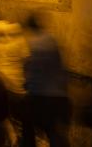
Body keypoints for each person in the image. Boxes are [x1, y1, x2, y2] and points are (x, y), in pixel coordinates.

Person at [23, 12, 70, 147]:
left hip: (42, 97)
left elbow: (34, 72)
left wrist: (28, 85)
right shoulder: (52, 39)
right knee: (55, 134)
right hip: (59, 96)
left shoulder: (34, 43)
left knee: (28, 128)